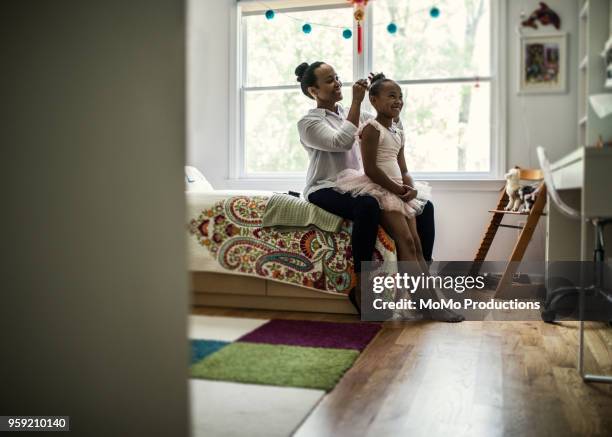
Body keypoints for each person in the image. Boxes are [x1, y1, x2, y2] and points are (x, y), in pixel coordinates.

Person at [295, 61, 438, 316]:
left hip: (359, 184)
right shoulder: (308, 123)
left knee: (425, 208)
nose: (337, 82)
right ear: (313, 91)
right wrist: (358, 102)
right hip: (325, 186)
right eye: (329, 80)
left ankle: (420, 283)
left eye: (337, 77)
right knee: (368, 206)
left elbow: (391, 127)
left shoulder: (358, 113)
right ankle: (362, 286)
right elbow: (341, 141)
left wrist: (383, 94)